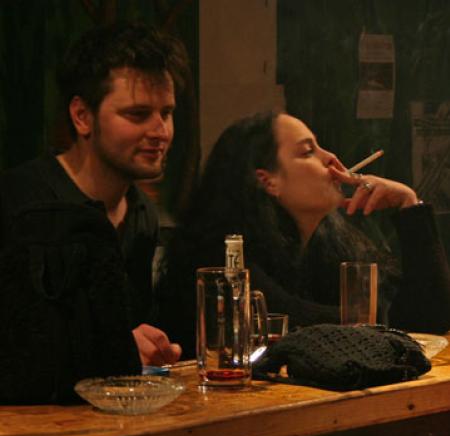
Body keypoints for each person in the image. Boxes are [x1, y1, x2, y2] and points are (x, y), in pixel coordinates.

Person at [157, 111, 450, 358]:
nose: (331, 159)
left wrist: (409, 204)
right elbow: (292, 326)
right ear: (267, 181)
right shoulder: (225, 254)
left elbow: (429, 320)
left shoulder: (330, 245)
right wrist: (375, 321)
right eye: (308, 151)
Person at [0, 22, 189, 403]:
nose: (161, 131)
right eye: (138, 114)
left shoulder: (142, 215)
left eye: (166, 113)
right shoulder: (21, 204)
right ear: (82, 116)